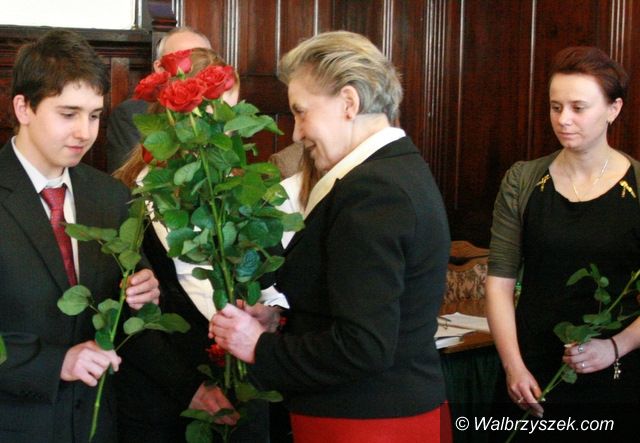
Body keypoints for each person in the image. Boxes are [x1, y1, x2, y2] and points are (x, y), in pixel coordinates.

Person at [210, 31, 452, 442]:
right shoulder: (393, 170)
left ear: (348, 102)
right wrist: (282, 321)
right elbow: (353, 307)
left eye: (301, 112)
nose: (296, 133)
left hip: (367, 421)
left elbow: (364, 346)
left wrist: (260, 346)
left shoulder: (373, 190)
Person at [113, 47, 282, 443]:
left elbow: (273, 283)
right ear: (175, 118)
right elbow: (129, 319)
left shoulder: (246, 190)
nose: (226, 133)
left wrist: (270, 315)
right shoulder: (128, 199)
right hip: (165, 401)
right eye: (213, 118)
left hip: (243, 385)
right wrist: (191, 388)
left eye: (232, 118)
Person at [0, 29, 160, 443]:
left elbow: (128, 310)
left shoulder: (111, 195)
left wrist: (142, 294)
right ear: (23, 107)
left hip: (97, 424)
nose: (84, 133)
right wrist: (54, 363)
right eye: (68, 114)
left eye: (93, 115)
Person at [486, 46, 640, 434]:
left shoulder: (638, 187)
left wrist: (616, 346)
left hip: (615, 373)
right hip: (529, 369)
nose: (563, 119)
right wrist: (513, 366)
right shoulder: (522, 180)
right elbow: (499, 283)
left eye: (578, 108)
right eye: (556, 107)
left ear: (613, 109)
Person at [106, 26, 211, 173]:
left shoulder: (220, 111)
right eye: (184, 60)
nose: (195, 68)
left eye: (202, 60)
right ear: (160, 68)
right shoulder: (131, 114)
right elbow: (127, 178)